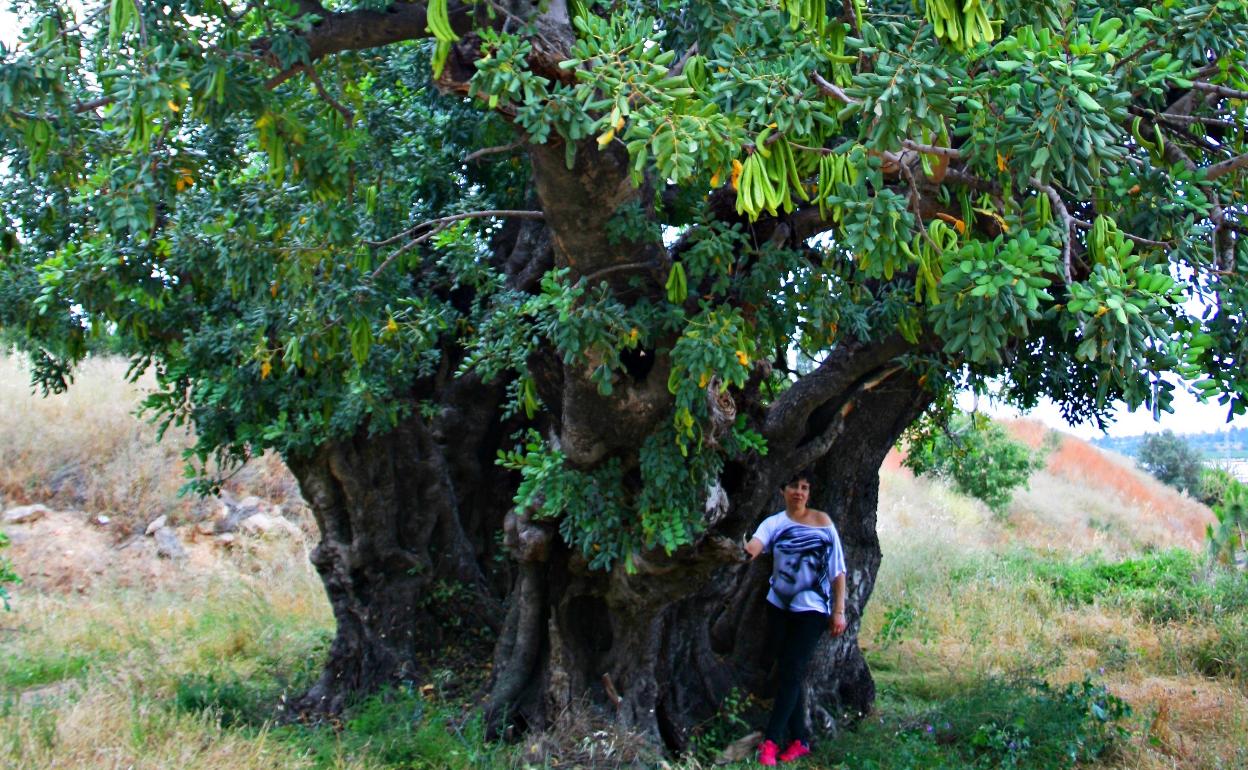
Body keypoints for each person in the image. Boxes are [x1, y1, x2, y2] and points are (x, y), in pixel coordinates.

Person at [744, 470, 847, 766]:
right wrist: (739, 552)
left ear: (809, 493)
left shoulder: (823, 522)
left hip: (813, 611)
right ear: (783, 491)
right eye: (793, 487)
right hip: (778, 608)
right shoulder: (775, 523)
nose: (799, 492)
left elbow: (838, 570)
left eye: (804, 487)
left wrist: (839, 611)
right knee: (788, 671)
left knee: (791, 669)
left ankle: (771, 741)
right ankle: (801, 739)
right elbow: (754, 546)